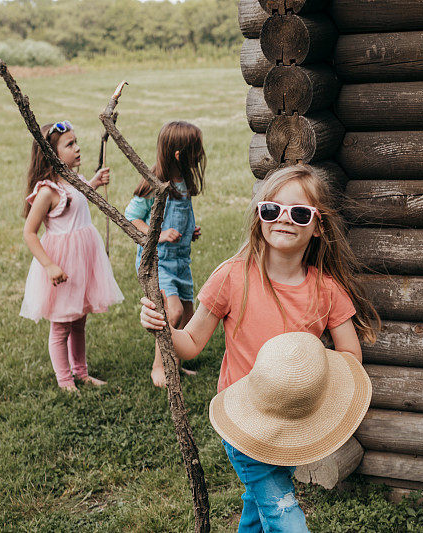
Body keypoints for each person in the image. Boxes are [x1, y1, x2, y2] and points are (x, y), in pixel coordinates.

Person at [139, 164, 380, 532]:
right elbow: (190, 343)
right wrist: (163, 329)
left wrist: (310, 377)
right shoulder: (233, 277)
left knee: (257, 505)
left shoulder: (327, 289)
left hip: (294, 420)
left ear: (318, 227)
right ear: (259, 215)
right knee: (285, 518)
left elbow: (350, 354)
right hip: (245, 422)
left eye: (299, 213)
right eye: (272, 209)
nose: (284, 220)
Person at [20, 120, 124, 392]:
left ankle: (81, 372)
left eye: (77, 142)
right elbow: (29, 233)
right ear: (51, 154)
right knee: (62, 325)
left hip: (83, 261)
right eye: (70, 144)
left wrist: (93, 184)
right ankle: (65, 381)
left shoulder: (72, 179)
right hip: (63, 266)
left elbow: (76, 203)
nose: (78, 148)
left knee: (79, 320)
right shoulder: (47, 191)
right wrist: (49, 265)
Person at [124, 121, 204, 387]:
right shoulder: (154, 183)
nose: (200, 155)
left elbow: (180, 217)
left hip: (181, 262)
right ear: (179, 155)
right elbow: (131, 217)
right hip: (159, 264)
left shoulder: (183, 181)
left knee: (188, 315)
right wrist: (158, 235)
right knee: (173, 312)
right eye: (196, 150)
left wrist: (189, 230)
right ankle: (159, 367)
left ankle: (175, 365)